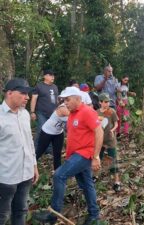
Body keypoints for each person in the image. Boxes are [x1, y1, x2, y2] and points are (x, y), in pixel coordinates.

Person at [33, 87, 104, 225]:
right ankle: (94, 215)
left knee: (59, 175)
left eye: (68, 99)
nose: (65, 102)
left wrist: (96, 156)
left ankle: (53, 214)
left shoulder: (87, 112)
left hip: (84, 154)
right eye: (64, 100)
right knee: (86, 185)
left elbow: (99, 131)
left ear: (78, 99)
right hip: (75, 154)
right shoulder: (72, 113)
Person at [0, 78, 39, 225]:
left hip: (26, 174)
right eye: (23, 93)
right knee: (2, 215)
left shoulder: (25, 114)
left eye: (28, 94)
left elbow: (29, 142)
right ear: (9, 93)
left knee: (21, 211)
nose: (27, 97)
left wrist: (34, 166)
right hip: (6, 178)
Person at [36, 96, 69, 170]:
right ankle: (30, 166)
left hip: (58, 133)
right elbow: (76, 117)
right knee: (40, 151)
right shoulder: (63, 108)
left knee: (57, 154)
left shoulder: (71, 108)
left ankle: (57, 172)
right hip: (47, 132)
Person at [97, 93, 121, 192]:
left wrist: (112, 130)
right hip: (99, 140)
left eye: (108, 102)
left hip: (110, 140)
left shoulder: (112, 112)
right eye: (105, 102)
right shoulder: (96, 112)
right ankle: (95, 176)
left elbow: (116, 124)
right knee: (98, 158)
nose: (107, 104)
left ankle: (117, 182)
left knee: (113, 160)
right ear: (100, 102)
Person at [30, 69, 59, 150]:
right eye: (50, 75)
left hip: (53, 113)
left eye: (53, 75)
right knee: (41, 130)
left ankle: (48, 149)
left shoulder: (55, 87)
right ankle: (35, 148)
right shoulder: (39, 86)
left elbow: (57, 100)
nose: (53, 77)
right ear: (45, 76)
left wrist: (59, 109)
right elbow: (34, 98)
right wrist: (32, 112)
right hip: (41, 112)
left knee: (51, 130)